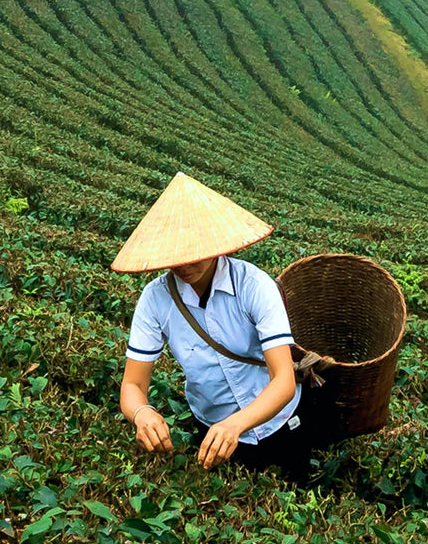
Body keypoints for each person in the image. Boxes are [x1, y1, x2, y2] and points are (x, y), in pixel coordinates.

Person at [113, 172, 309, 479]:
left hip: (279, 422)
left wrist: (236, 423)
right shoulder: (155, 300)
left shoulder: (253, 286)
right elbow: (133, 385)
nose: (185, 266)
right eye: (175, 257)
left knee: (293, 489)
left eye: (195, 255)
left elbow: (283, 380)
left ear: (216, 244)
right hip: (211, 426)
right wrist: (142, 413)